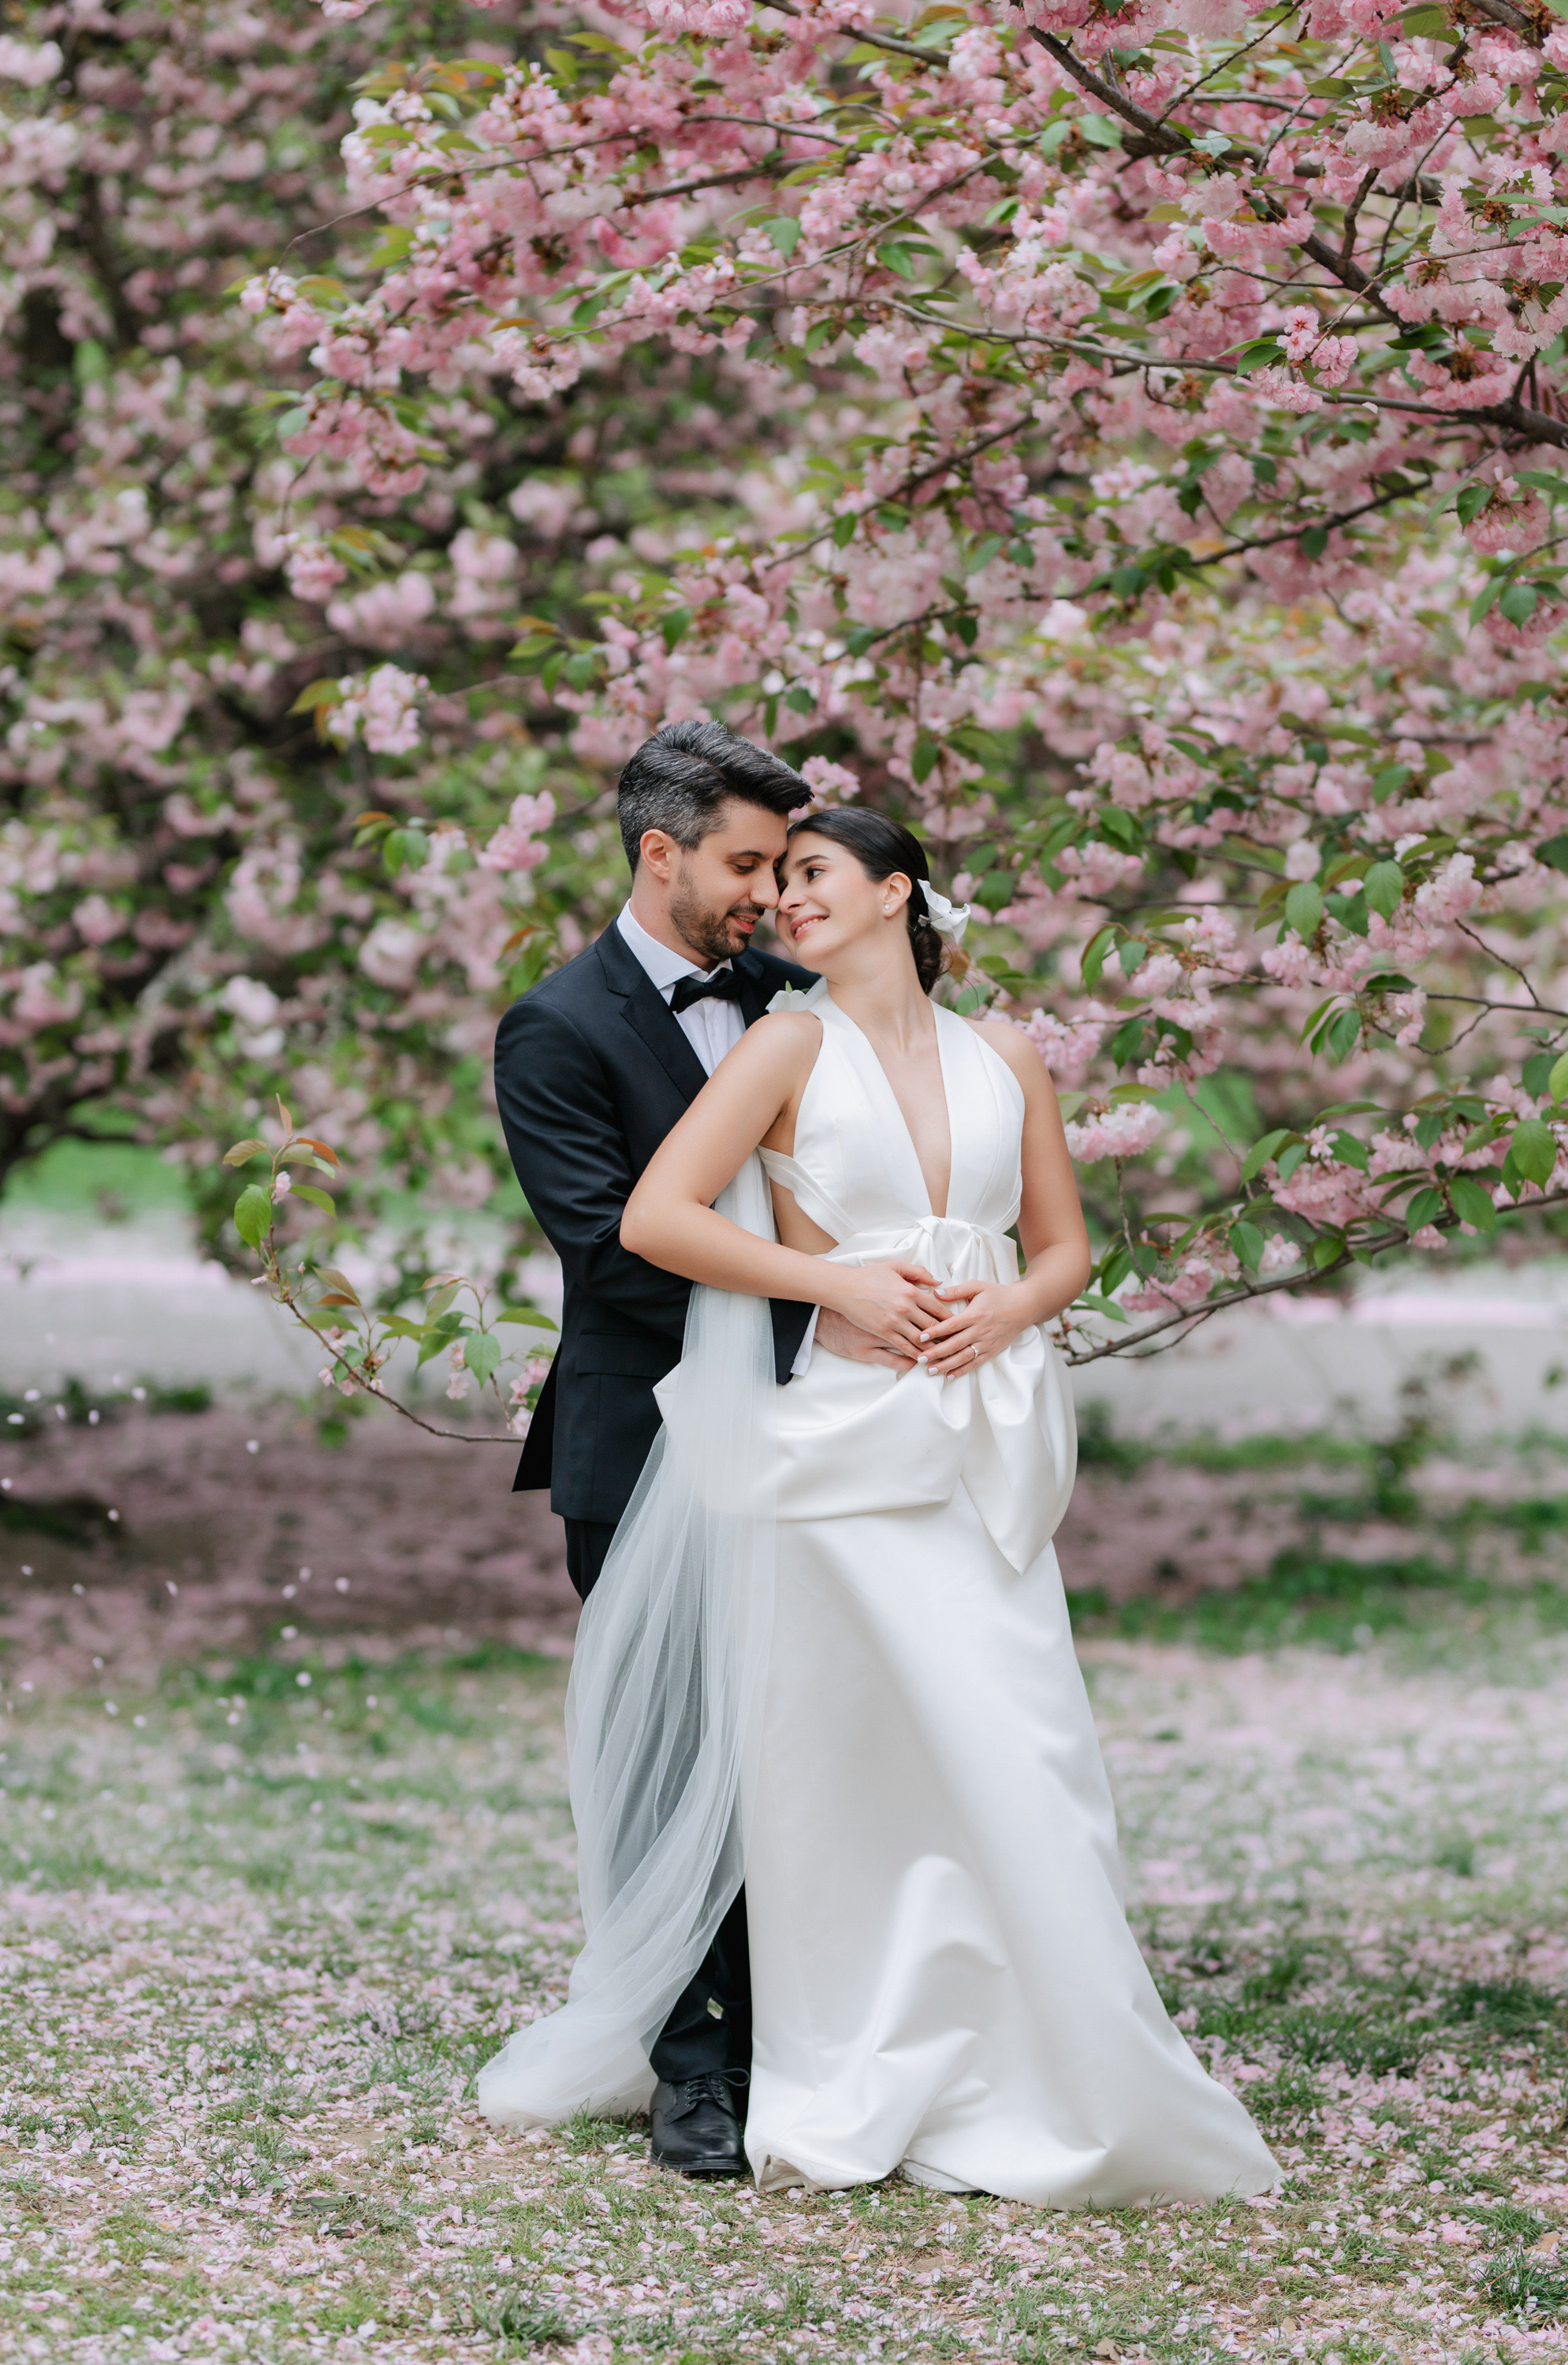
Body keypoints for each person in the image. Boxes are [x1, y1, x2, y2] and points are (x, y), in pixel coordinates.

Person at [482, 796, 1279, 2203]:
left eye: (812, 873)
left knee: (1023, 1754)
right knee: (839, 1778)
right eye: (772, 876)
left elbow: (1065, 1246)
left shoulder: (1008, 1052)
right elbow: (658, 1219)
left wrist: (1005, 1312)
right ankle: (839, 2056)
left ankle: (1057, 2057)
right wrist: (836, 1282)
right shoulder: (792, 1039)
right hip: (841, 1450)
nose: (786, 899)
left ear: (899, 891)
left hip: (979, 1436)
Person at [491, 721, 912, 2180]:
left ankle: (817, 2033)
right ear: (657, 852)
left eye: (783, 866)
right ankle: (692, 2067)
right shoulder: (557, 1026)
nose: (770, 895)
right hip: (645, 1437)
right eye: (744, 863)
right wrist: (829, 1296)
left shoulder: (802, 999)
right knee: (664, 1755)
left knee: (801, 1741)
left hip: (832, 1435)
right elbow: (615, 1257)